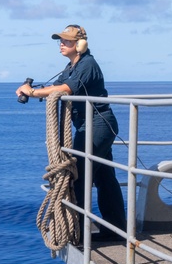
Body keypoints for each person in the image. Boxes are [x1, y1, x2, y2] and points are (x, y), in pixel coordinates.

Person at [15, 24, 127, 240]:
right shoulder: (71, 67)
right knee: (105, 178)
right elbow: (55, 87)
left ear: (80, 44)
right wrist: (31, 90)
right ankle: (116, 229)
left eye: (66, 41)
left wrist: (33, 91)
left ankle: (78, 231)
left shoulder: (87, 64)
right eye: (61, 41)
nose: (61, 45)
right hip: (90, 125)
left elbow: (65, 90)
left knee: (79, 177)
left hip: (98, 124)